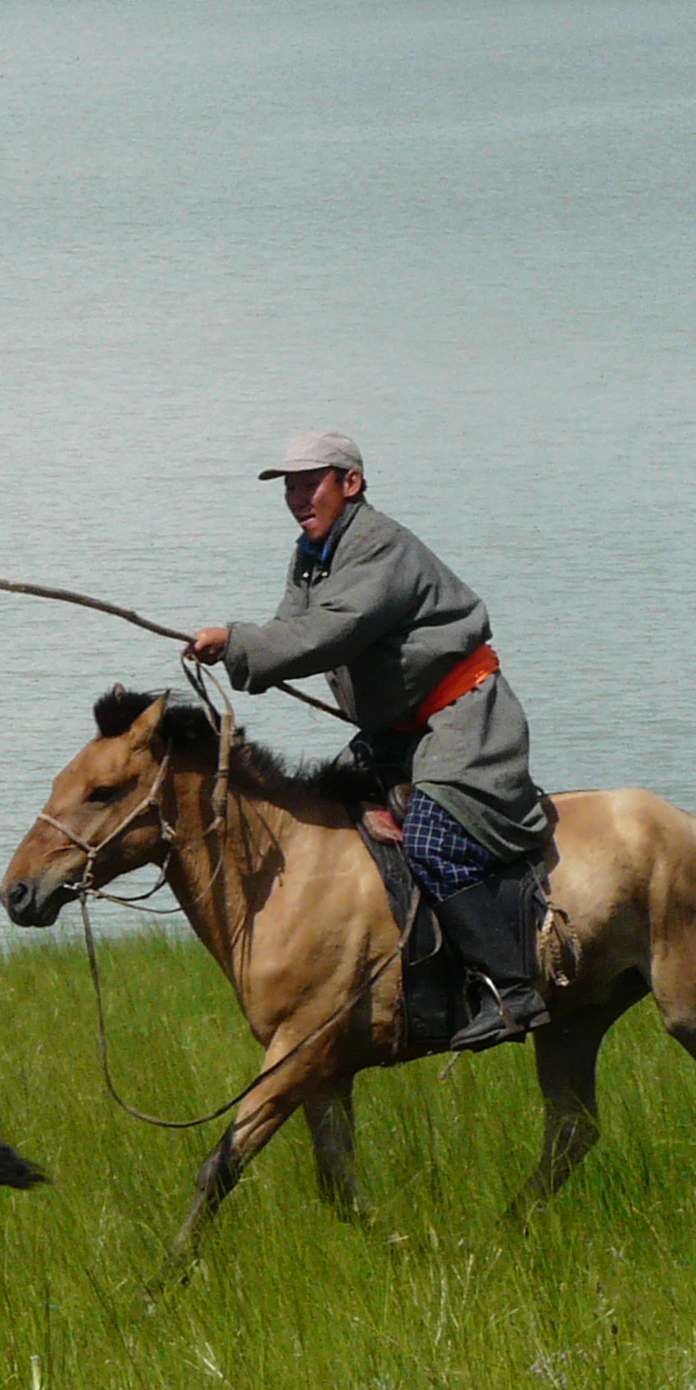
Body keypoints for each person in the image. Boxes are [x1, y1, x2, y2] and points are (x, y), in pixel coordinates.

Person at [187, 428, 553, 1052]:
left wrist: (239, 642)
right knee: (327, 811)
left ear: (350, 483)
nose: (298, 499)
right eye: (290, 488)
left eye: (311, 485)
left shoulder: (379, 545)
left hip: (463, 719)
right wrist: (242, 652)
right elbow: (293, 629)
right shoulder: (312, 554)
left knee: (434, 841)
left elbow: (330, 631)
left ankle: (513, 992)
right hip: (396, 733)